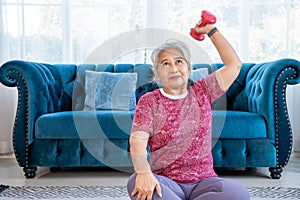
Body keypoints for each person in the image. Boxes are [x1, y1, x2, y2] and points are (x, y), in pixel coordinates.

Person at [127, 23, 250, 200]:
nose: (174, 68)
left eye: (179, 61)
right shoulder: (149, 101)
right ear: (158, 74)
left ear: (188, 68)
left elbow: (234, 65)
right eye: (165, 64)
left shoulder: (203, 91)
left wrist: (211, 31)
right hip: (166, 184)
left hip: (205, 183)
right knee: (136, 182)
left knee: (238, 194)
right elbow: (137, 140)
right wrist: (144, 172)